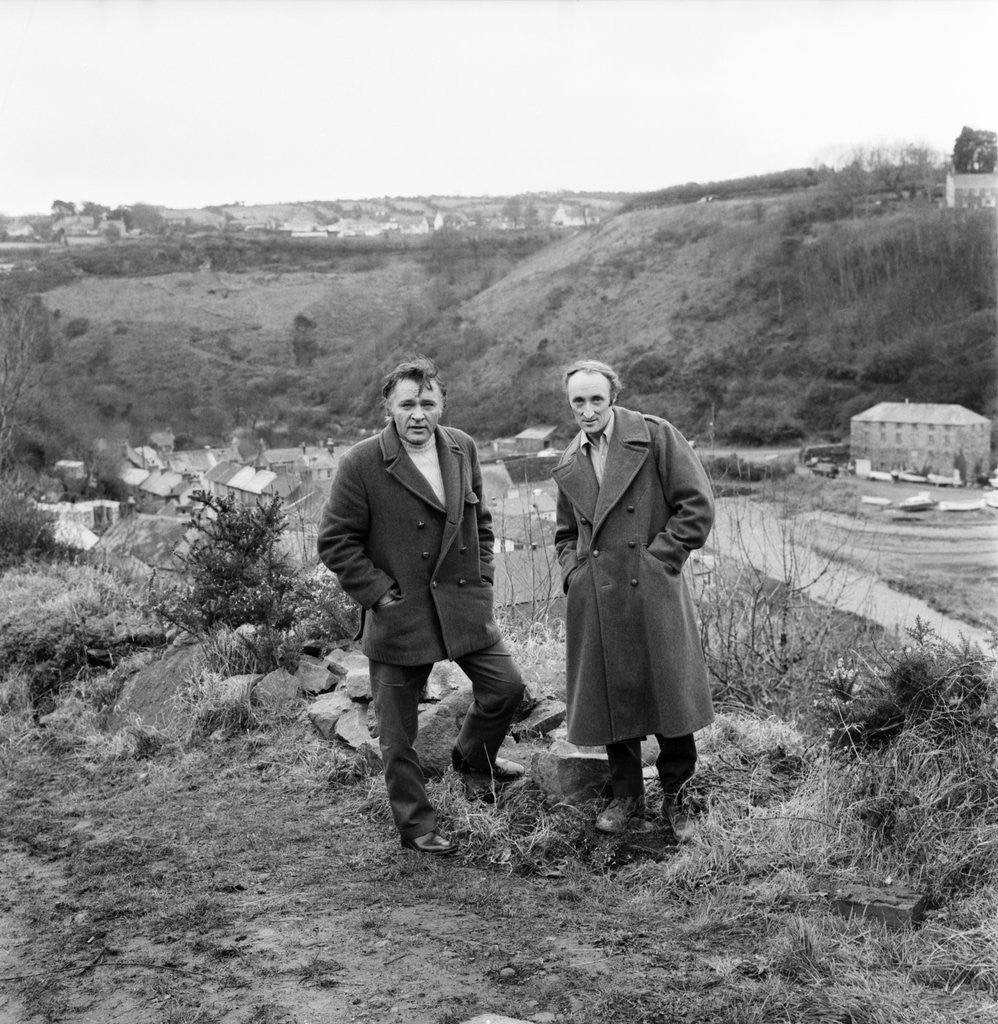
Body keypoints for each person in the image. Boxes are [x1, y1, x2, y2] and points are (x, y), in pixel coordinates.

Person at [318, 357, 525, 857]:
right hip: (400, 614)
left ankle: (474, 761)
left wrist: (483, 578)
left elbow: (483, 523)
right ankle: (416, 827)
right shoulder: (361, 463)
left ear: (442, 405)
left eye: (427, 403)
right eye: (407, 404)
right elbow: (335, 541)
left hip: (462, 605)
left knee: (507, 687)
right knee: (398, 734)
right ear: (388, 408)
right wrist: (379, 593)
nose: (418, 414)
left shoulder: (462, 447)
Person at [552, 359, 715, 840]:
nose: (587, 410)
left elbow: (697, 505)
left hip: (651, 591)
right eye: (577, 401)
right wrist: (574, 573)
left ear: (613, 397)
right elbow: (564, 534)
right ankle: (626, 797)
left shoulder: (656, 436)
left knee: (669, 695)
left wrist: (660, 559)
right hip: (598, 595)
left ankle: (679, 798)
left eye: (595, 399)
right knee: (613, 699)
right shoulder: (568, 461)